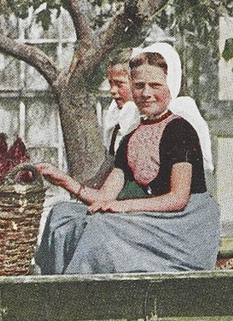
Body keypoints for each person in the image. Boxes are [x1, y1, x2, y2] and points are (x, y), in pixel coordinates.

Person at [34, 42, 219, 275]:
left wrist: (121, 207)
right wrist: (64, 180)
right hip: (153, 219)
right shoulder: (131, 137)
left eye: (155, 85)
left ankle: (78, 298)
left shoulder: (180, 130)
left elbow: (177, 198)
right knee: (62, 214)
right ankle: (55, 288)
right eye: (139, 85)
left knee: (99, 226)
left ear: (170, 86)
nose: (146, 93)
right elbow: (104, 197)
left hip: (184, 226)